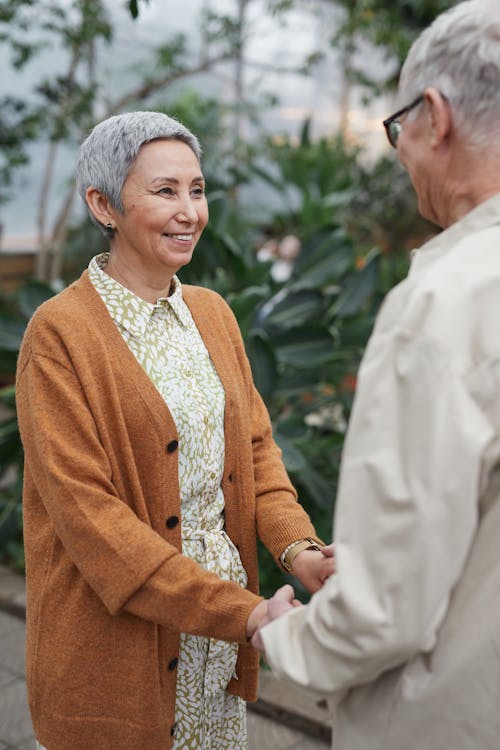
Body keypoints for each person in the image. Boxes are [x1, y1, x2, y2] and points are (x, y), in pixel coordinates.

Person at [16, 110, 334, 750]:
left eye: (197, 189)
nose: (189, 210)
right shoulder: (58, 337)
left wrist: (301, 551)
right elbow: (93, 523)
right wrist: (244, 614)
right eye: (164, 191)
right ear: (103, 204)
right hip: (118, 654)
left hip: (216, 651)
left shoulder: (212, 315)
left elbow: (254, 456)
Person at [252, 2, 500, 748]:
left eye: (398, 131)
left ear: (434, 117)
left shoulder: (444, 301)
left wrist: (291, 636)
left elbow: (387, 605)